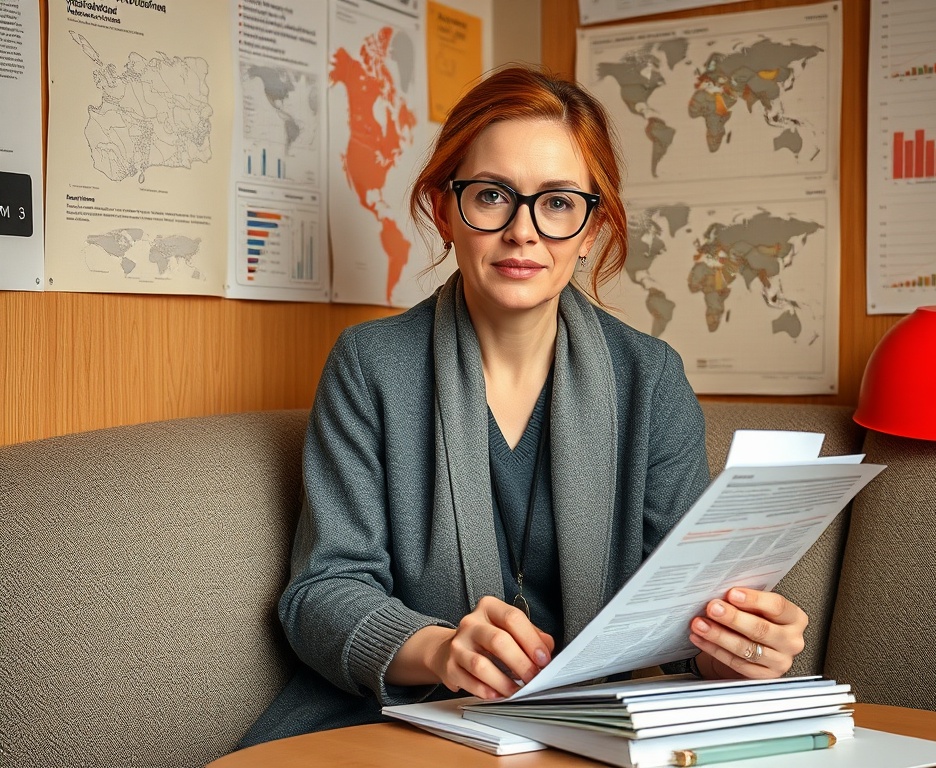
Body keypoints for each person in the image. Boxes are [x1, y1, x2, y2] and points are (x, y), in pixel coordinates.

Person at [240, 64, 808, 747]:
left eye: (559, 202)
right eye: (492, 195)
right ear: (445, 209)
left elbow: (680, 612)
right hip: (397, 726)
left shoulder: (651, 380)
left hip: (590, 728)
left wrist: (732, 647)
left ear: (593, 227)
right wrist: (444, 650)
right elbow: (320, 596)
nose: (523, 231)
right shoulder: (370, 366)